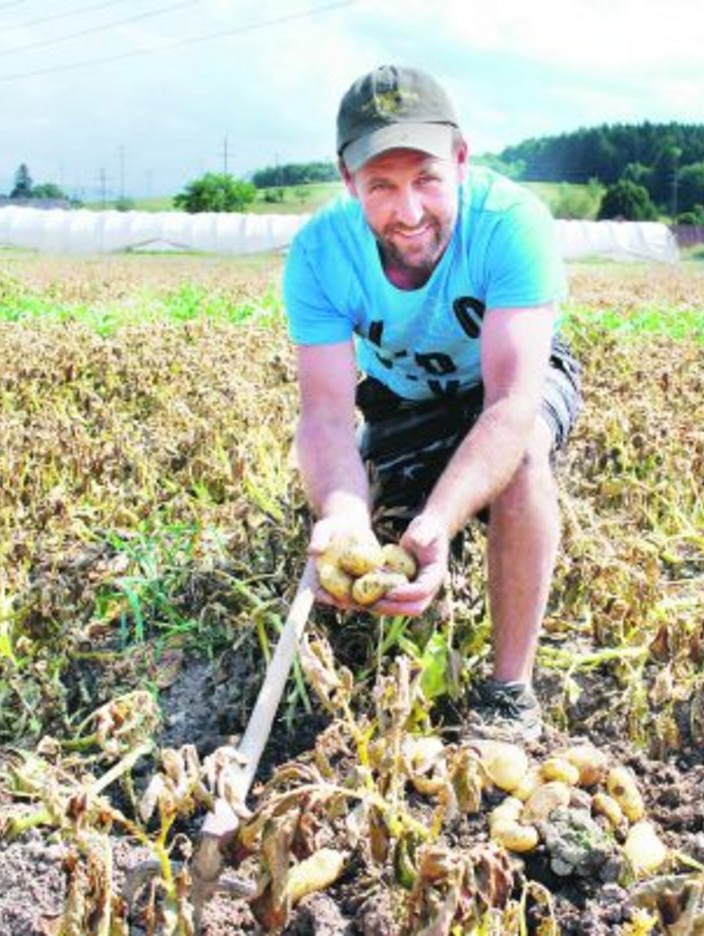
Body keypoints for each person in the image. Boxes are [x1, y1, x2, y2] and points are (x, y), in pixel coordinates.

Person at [282, 65, 582, 742]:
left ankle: (510, 692)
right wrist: (342, 511)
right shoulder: (319, 254)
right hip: (401, 396)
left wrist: (441, 522)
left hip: (504, 385)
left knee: (523, 455)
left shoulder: (512, 225)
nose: (409, 212)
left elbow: (509, 405)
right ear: (348, 180)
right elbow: (327, 414)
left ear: (462, 160)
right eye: (381, 186)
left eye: (426, 179)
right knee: (375, 538)